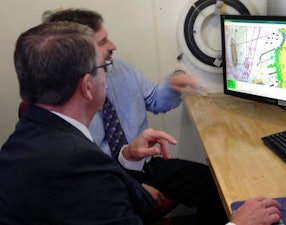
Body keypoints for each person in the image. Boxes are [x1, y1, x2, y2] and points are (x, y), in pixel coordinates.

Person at [0, 20, 282, 225]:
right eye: (102, 67)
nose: (109, 68)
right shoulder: (82, 168)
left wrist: (126, 156)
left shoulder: (22, 140)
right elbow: (96, 183)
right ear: (87, 86)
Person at [43, 8, 226, 224]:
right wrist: (132, 189)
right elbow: (84, 178)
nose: (113, 46)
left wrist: (173, 86)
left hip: (141, 162)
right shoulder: (64, 100)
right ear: (78, 52)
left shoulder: (121, 69)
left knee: (214, 186)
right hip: (102, 179)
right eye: (102, 42)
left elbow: (155, 100)